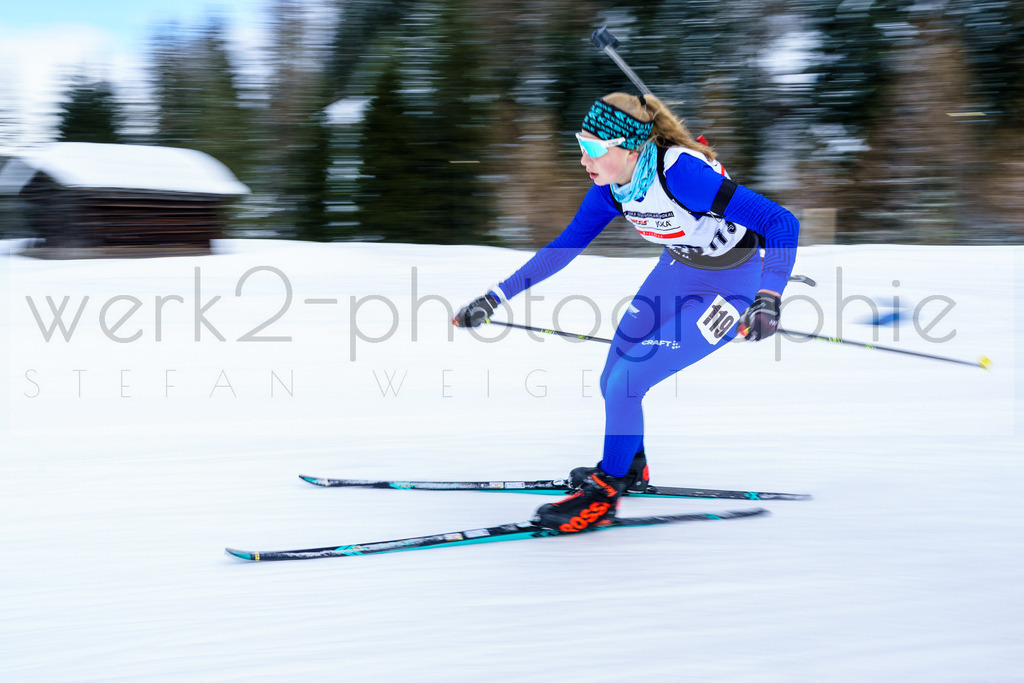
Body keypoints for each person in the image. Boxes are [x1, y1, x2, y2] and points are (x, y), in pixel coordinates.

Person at [453, 92, 799, 533]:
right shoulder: (611, 189)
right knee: (611, 378)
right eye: (580, 144)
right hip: (677, 270)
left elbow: (781, 222)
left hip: (733, 286)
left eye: (595, 148)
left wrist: (768, 297)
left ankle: (605, 492)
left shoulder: (681, 174)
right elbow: (563, 249)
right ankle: (632, 465)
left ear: (632, 146)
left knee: (627, 381)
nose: (584, 158)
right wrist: (495, 296)